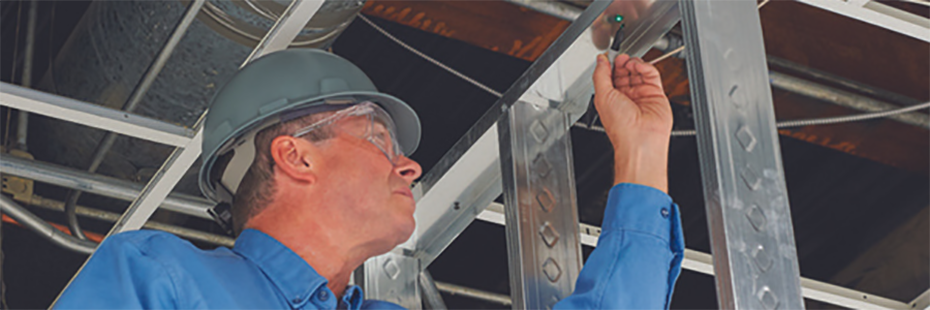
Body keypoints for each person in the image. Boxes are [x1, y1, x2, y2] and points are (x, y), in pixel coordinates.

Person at [54, 49, 682, 309]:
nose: (408, 164)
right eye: (378, 139)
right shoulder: (162, 278)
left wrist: (644, 152)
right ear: (295, 156)